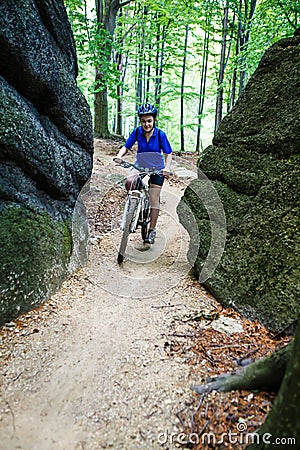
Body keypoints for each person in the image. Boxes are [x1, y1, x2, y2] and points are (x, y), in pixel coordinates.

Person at [114, 103, 173, 244]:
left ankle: (152, 229)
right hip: (140, 165)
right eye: (143, 121)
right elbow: (126, 146)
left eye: (149, 121)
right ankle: (136, 203)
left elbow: (168, 153)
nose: (146, 124)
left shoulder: (160, 134)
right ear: (140, 121)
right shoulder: (137, 132)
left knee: (154, 200)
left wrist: (167, 167)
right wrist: (119, 155)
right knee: (129, 181)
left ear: (154, 120)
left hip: (157, 169)